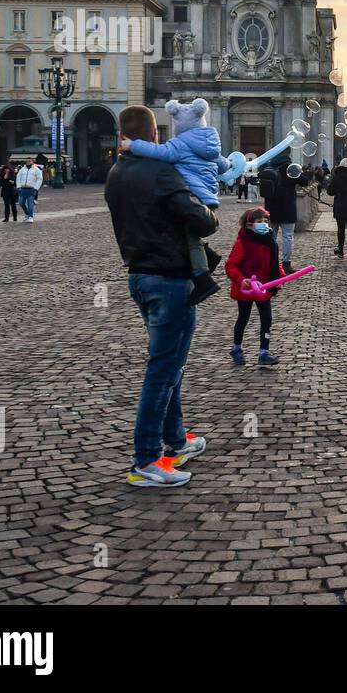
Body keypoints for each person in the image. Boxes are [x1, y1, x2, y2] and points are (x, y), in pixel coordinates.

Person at [105, 105, 218, 488]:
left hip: (139, 274)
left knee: (171, 364)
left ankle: (176, 440)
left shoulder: (117, 173)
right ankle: (147, 460)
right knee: (164, 369)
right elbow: (202, 220)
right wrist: (209, 208)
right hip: (169, 276)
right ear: (153, 135)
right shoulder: (161, 172)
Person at [120, 98, 231, 304]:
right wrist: (232, 162)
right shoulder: (211, 146)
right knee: (190, 235)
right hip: (209, 195)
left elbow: (160, 151)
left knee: (191, 237)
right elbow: (223, 165)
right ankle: (208, 258)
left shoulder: (179, 145)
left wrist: (133, 145)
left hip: (194, 195)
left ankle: (203, 276)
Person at [225, 206, 283, 366]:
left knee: (267, 318)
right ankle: (236, 348)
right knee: (243, 318)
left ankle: (264, 351)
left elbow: (275, 263)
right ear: (249, 225)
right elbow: (231, 265)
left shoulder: (270, 242)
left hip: (264, 287)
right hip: (246, 288)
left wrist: (280, 279)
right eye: (259, 221)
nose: (264, 224)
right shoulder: (243, 242)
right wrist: (241, 279)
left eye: (266, 221)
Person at [258, 151, 309, 275]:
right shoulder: (291, 168)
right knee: (287, 237)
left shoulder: (268, 167)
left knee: (271, 237)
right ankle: (286, 264)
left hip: (271, 208)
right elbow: (304, 181)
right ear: (288, 156)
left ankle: (269, 263)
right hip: (287, 208)